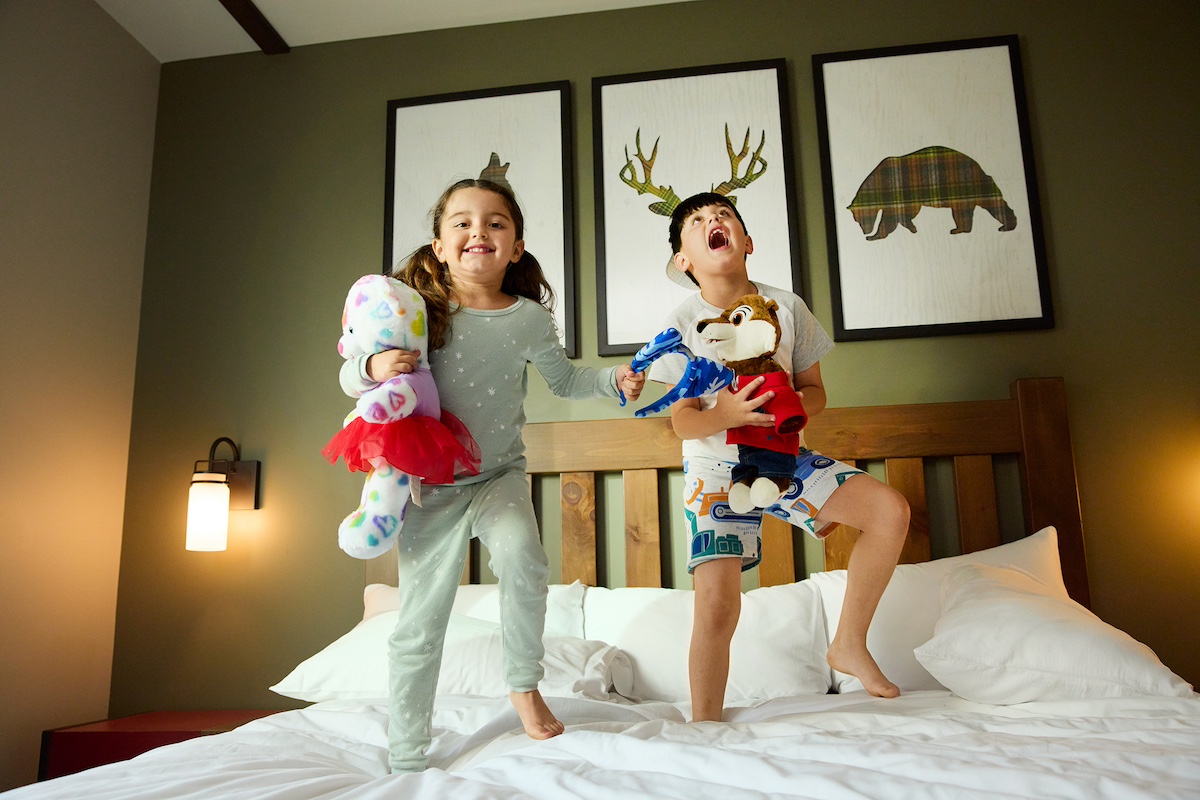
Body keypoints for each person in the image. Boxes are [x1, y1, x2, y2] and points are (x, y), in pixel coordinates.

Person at [339, 178, 645, 772]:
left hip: (496, 475)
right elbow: (352, 372)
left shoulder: (527, 318)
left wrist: (615, 380)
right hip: (428, 487)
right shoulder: (418, 311)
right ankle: (406, 752)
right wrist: (372, 365)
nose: (478, 231)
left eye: (495, 223)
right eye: (462, 222)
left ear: (516, 247)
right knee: (420, 622)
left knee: (524, 560)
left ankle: (523, 685)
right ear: (438, 245)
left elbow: (567, 380)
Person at [648, 192, 909, 722]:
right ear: (684, 259)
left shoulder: (786, 307)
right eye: (697, 221)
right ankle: (704, 724)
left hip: (782, 455)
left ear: (747, 242)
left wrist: (785, 410)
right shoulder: (682, 324)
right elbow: (683, 421)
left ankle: (849, 642)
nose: (713, 220)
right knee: (717, 604)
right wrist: (728, 414)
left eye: (724, 215)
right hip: (714, 470)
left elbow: (815, 391)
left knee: (890, 511)